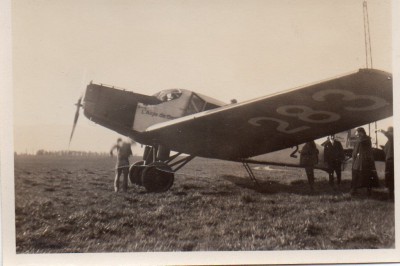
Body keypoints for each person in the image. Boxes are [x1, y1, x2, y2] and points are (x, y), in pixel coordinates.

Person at [350, 127, 375, 196]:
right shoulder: (367, 139)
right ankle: (368, 191)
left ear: (360, 132)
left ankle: (353, 191)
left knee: (355, 175)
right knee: (367, 176)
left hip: (359, 161)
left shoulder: (360, 140)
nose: (356, 134)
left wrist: (354, 157)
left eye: (356, 132)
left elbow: (355, 152)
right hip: (367, 161)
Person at [378, 126, 394, 200]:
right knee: (389, 177)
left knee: (390, 178)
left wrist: (383, 131)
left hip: (392, 160)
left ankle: (391, 195)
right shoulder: (389, 141)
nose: (389, 133)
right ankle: (390, 194)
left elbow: (390, 136)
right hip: (389, 160)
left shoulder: (393, 138)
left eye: (390, 131)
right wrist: (383, 148)